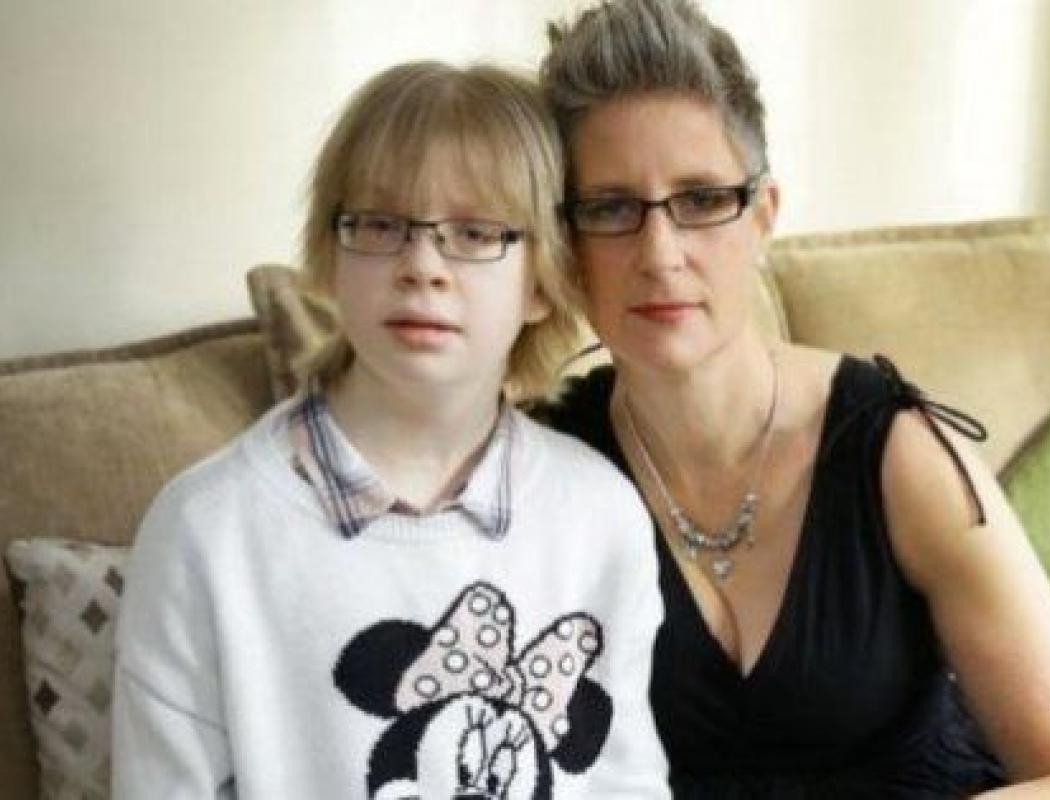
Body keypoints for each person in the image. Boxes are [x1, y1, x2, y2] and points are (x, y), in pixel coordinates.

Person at [536, 1, 1050, 797]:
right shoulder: (542, 474)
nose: (660, 254)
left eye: (700, 200)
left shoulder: (896, 450)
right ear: (564, 243)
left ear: (762, 217)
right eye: (610, 208)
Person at [111, 61, 669, 799]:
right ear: (329, 256)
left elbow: (626, 781)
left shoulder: (601, 514)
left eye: (475, 232)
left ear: (541, 281)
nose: (422, 265)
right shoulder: (205, 531)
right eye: (380, 224)